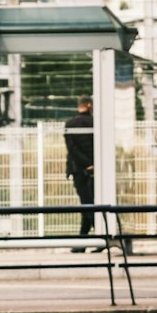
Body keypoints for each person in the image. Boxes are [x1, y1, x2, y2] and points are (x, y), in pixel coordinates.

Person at [64, 95, 95, 251]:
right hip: (97, 170)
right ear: (89, 105)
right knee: (90, 204)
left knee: (87, 204)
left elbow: (72, 149)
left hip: (78, 170)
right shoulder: (95, 123)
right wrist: (93, 164)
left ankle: (84, 242)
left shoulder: (70, 124)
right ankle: (85, 241)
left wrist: (86, 164)